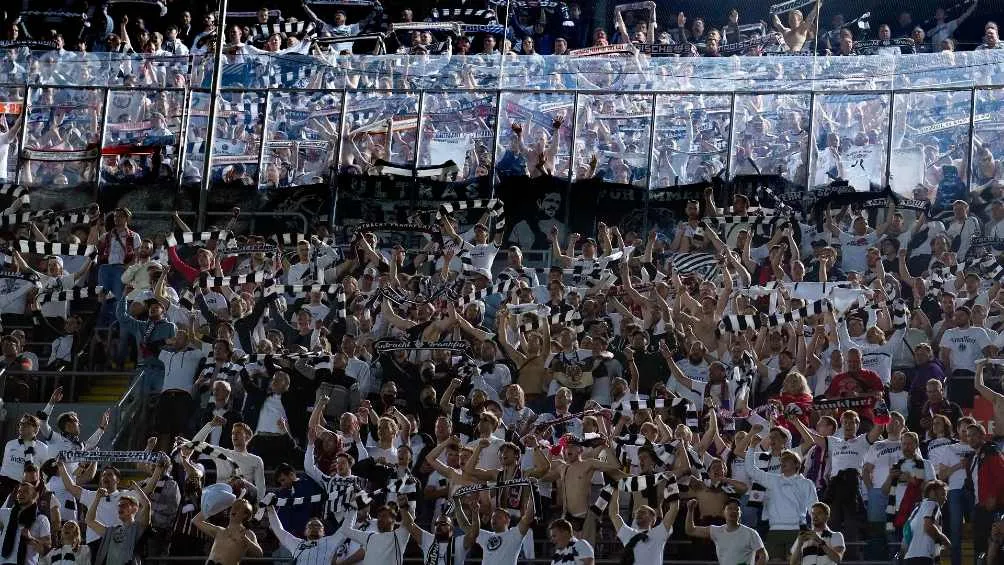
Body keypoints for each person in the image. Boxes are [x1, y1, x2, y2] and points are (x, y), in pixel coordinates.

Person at [608, 486, 680, 565]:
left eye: (643, 512)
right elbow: (614, 514)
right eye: (638, 512)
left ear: (653, 518)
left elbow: (674, 508)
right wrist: (615, 488)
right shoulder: (628, 533)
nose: (639, 513)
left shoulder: (659, 533)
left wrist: (672, 486)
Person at [685, 498, 767, 565]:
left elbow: (763, 555)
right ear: (723, 512)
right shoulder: (716, 531)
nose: (733, 511)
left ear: (740, 513)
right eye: (730, 508)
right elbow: (691, 530)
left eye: (736, 509)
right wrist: (690, 510)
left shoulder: (751, 533)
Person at [86, 483, 151, 565]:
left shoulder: (138, 528)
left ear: (135, 509)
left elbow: (147, 505)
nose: (120, 507)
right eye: (119, 505)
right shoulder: (112, 531)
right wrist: (97, 498)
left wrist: (135, 486)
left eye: (124, 505)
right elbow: (89, 520)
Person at [464, 497, 536, 565]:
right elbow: (465, 526)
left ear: (507, 520)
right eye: (493, 517)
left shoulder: (514, 534)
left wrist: (533, 492)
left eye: (498, 517)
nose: (494, 519)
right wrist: (459, 506)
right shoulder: (486, 536)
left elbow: (528, 517)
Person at [192, 499, 263, 565]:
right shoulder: (219, 530)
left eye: (238, 507)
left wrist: (246, 540)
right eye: (234, 507)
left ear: (245, 515)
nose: (234, 509)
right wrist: (213, 507)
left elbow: (259, 555)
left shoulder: (248, 534)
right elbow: (196, 521)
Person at [900, 480, 950, 565]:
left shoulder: (917, 509)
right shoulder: (933, 504)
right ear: (932, 493)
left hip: (909, 558)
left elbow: (906, 530)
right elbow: (928, 526)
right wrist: (944, 540)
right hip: (923, 558)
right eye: (943, 494)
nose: (945, 499)